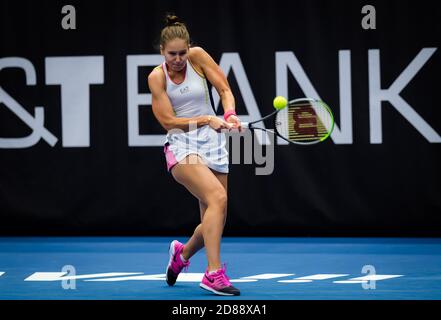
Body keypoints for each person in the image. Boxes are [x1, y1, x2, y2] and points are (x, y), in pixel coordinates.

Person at [148, 14, 242, 296]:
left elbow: (224, 89)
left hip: (212, 142)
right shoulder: (156, 77)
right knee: (218, 198)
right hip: (181, 145)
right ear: (162, 51)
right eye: (172, 54)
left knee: (216, 217)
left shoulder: (198, 57)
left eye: (182, 53)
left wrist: (230, 114)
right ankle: (213, 274)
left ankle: (182, 254)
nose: (178, 59)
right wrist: (205, 119)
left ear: (189, 48)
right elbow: (167, 121)